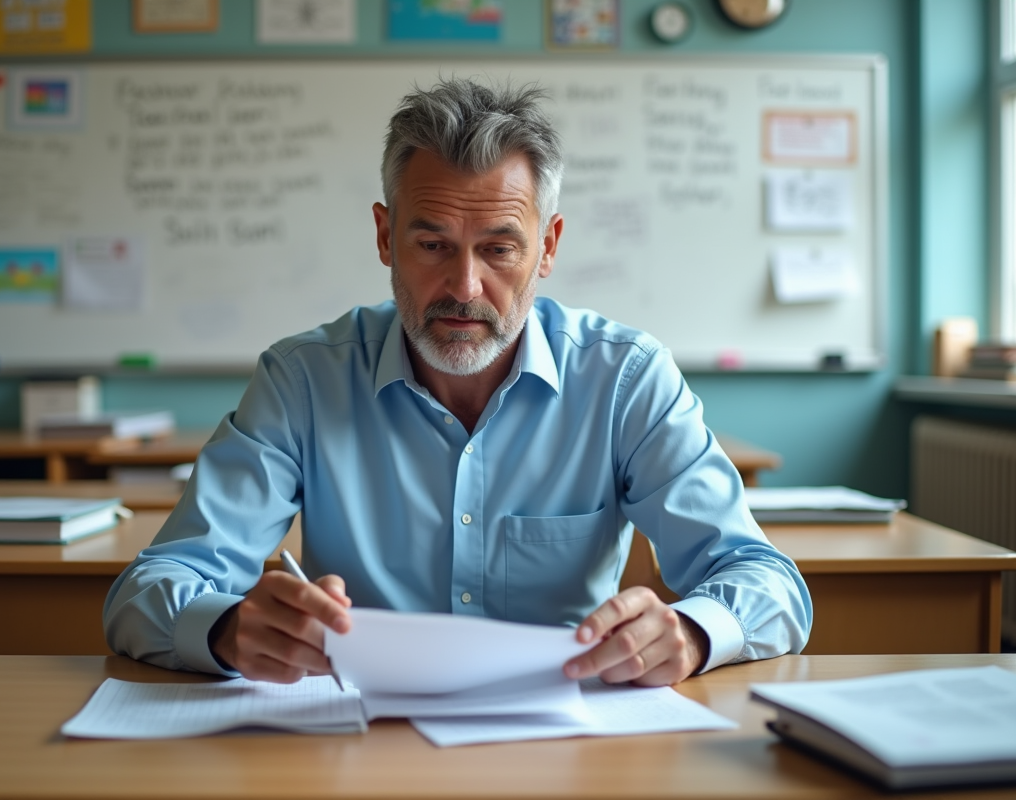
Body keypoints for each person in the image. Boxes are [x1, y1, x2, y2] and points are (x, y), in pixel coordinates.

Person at [104, 78, 811, 688]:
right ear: (385, 238)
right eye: (432, 244)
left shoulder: (624, 379)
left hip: (564, 748)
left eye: (499, 249)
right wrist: (228, 627)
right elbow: (144, 593)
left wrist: (689, 633)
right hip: (358, 741)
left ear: (549, 248)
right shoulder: (303, 382)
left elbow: (767, 582)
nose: (465, 287)